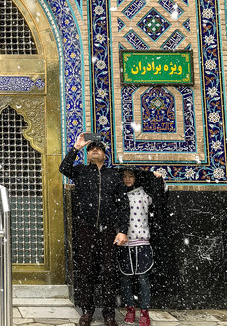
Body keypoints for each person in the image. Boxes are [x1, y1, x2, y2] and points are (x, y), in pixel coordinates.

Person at [60, 133, 130, 326]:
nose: (94, 150)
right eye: (91, 149)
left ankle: (109, 314)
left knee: (109, 272)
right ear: (88, 154)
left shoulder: (113, 176)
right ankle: (87, 311)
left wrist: (122, 230)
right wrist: (77, 147)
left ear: (104, 154)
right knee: (86, 270)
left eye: (98, 148)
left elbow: (124, 205)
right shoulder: (81, 171)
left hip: (108, 230)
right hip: (86, 228)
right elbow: (63, 168)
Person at [118, 168, 168, 326]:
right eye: (124, 176)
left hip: (142, 242)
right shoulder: (118, 195)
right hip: (124, 242)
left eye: (130, 176)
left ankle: (145, 311)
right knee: (125, 278)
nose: (127, 179)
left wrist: (159, 179)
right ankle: (130, 309)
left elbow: (162, 195)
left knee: (143, 278)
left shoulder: (144, 194)